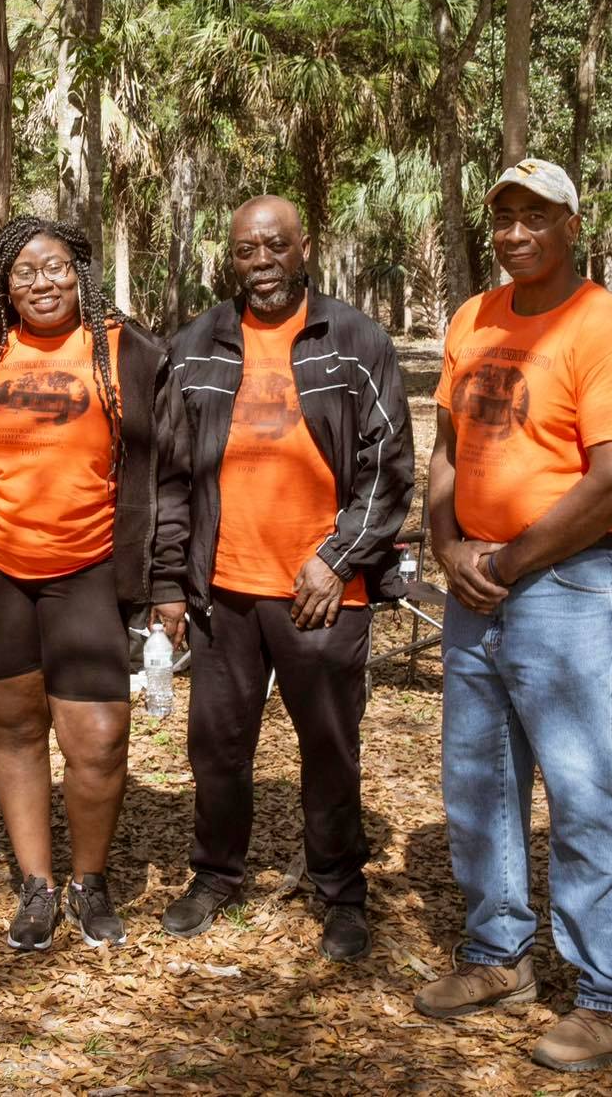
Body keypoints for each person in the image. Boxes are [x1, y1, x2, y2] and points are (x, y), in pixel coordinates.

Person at [416, 158, 612, 1073]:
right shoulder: (473, 318)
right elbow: (447, 445)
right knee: (477, 779)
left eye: (536, 217)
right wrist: (447, 545)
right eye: (505, 217)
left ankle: (611, 994)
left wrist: (511, 560)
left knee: (582, 788)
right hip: (476, 583)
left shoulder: (611, 329)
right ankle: (497, 955)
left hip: (568, 586)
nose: (517, 232)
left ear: (572, 224)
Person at [0, 216, 190, 951]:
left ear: (82, 272)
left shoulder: (128, 354)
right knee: (16, 728)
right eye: (25, 272)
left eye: (56, 267)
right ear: (4, 285)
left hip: (91, 569)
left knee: (97, 739)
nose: (43, 283)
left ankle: (90, 881)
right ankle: (37, 884)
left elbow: (170, 478)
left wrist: (167, 584)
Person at [163, 195, 414, 963]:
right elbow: (169, 476)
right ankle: (215, 875)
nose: (262, 261)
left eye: (276, 246)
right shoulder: (197, 344)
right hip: (224, 590)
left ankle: (341, 891)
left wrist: (337, 558)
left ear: (305, 247)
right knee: (217, 745)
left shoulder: (353, 340)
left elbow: (389, 463)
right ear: (231, 258)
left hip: (322, 593)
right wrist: (169, 582)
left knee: (330, 748)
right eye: (246, 250)